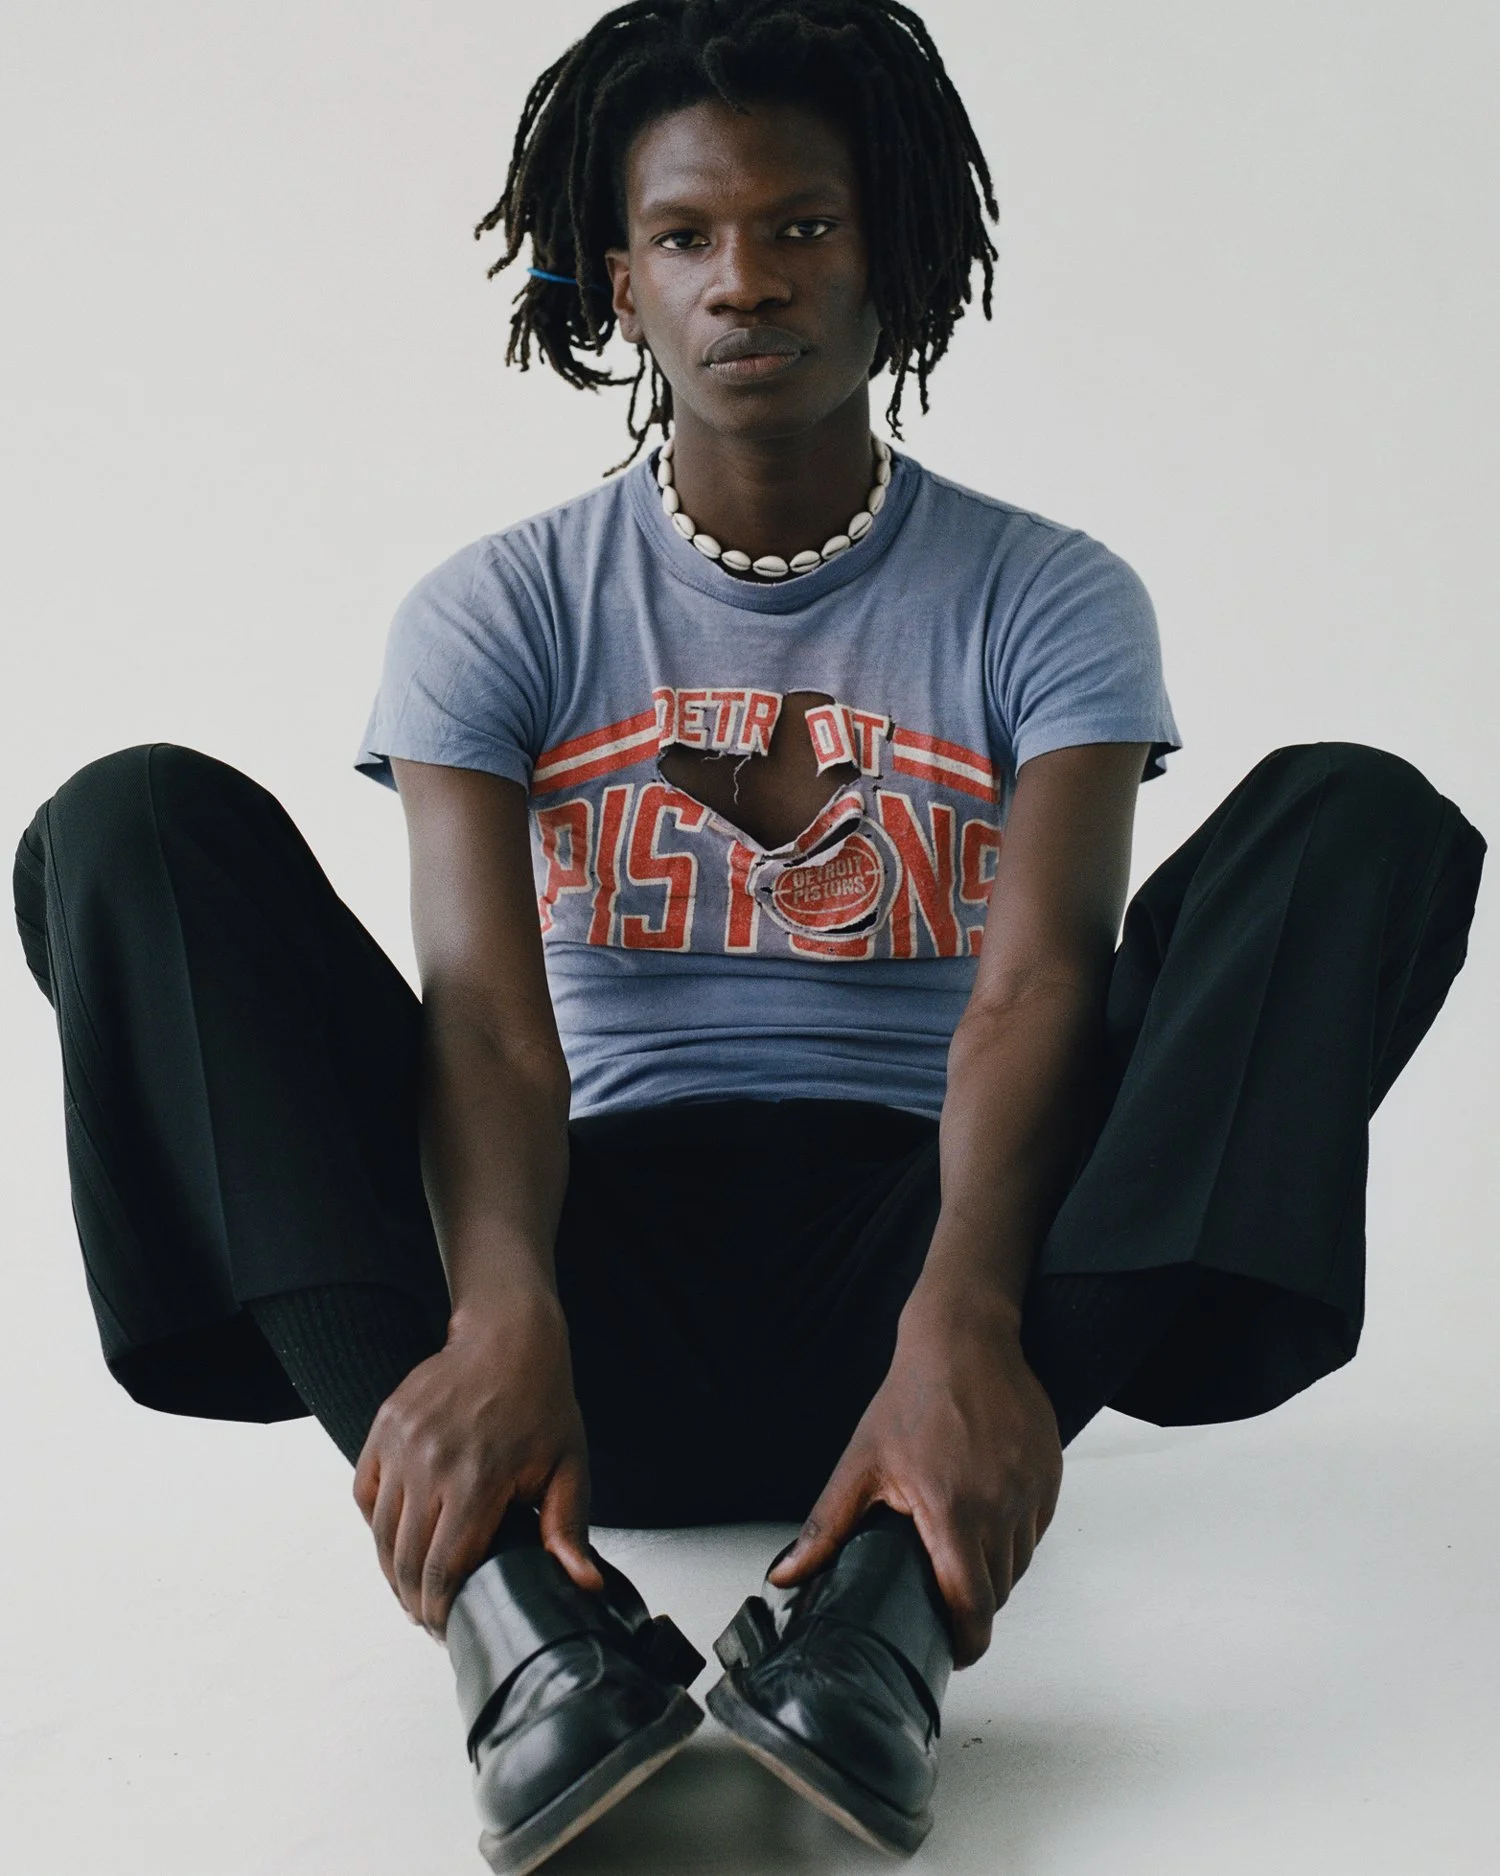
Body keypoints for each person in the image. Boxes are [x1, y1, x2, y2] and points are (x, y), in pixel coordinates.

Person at [12, 2, 1486, 1872]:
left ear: (894, 257)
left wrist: (959, 1318)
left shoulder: (1047, 596)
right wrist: (502, 1308)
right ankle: (519, 1634)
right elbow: (482, 1022)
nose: (746, 282)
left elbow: (1040, 985)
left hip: (948, 1281)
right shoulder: (502, 604)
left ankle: (878, 1620)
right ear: (615, 282)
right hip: (580, 1288)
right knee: (130, 823)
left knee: (1355, 821)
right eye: (690, 238)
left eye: (802, 227)